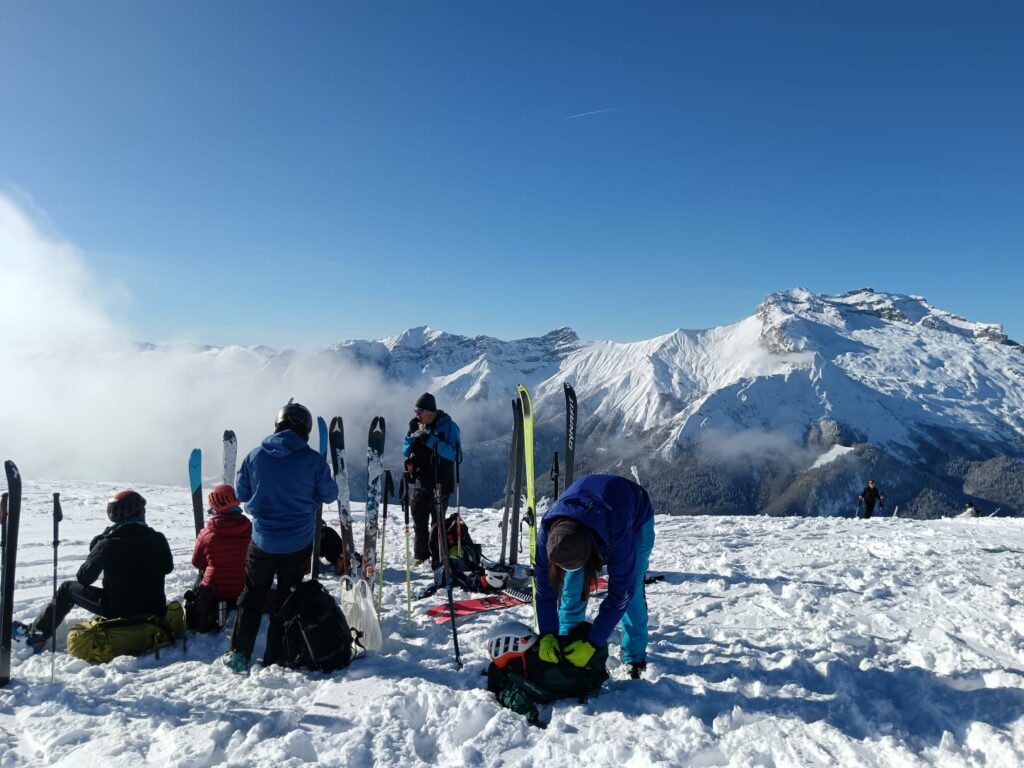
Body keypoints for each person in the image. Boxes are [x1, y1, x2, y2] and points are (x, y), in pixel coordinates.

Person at [224, 399, 338, 674]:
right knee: (287, 598)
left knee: (252, 596)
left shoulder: (255, 456)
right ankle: (276, 656)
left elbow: (241, 494)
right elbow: (330, 495)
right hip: (298, 542)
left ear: (277, 425)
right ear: (306, 430)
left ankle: (240, 654)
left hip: (262, 540)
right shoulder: (312, 460)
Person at [17, 490, 173, 652]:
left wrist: (97, 547)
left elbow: (84, 578)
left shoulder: (108, 543)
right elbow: (168, 568)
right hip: (155, 607)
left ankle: (37, 633)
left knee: (66, 589)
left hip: (119, 610)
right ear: (140, 513)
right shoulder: (158, 538)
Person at [534, 474, 655, 680]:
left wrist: (593, 643)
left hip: (635, 517)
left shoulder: (618, 529)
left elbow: (621, 594)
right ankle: (567, 643)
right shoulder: (548, 532)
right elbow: (544, 588)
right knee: (572, 588)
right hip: (585, 519)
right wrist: (548, 634)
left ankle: (634, 657)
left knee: (632, 592)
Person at [401, 392, 462, 568]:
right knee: (419, 521)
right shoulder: (417, 425)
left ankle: (439, 558)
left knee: (437, 524)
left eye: (419, 411)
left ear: (430, 411)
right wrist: (410, 437)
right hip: (420, 482)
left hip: (440, 482)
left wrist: (430, 440)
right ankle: (421, 556)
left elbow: (456, 454)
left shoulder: (448, 426)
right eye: (415, 411)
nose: (417, 415)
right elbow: (405, 451)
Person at [188, 484, 252, 629]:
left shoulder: (205, 534)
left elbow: (197, 563)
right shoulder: (253, 530)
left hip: (214, 593)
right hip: (246, 589)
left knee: (201, 575)